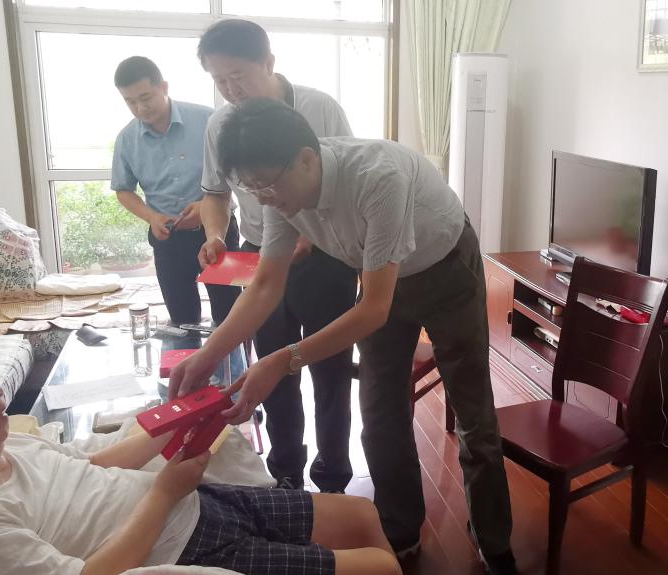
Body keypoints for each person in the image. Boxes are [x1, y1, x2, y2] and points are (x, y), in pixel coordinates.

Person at [170, 98, 519, 574]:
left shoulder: (378, 177)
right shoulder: (280, 192)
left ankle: (494, 542)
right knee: (379, 413)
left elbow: (373, 309)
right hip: (381, 277)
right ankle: (400, 530)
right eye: (250, 189)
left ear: (306, 160)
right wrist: (209, 354)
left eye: (266, 185)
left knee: (473, 414)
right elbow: (267, 285)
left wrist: (282, 360)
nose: (263, 197)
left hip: (446, 271)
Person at [0, 342, 401, 575]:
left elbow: (93, 466)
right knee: (381, 566)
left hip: (197, 503)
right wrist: (164, 492)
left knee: (362, 515)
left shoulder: (5, 445)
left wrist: (174, 421)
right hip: (188, 544)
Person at [195, 19, 358, 494]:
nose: (231, 90)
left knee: (329, 367)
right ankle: (285, 472)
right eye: (219, 80)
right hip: (260, 255)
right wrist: (215, 234)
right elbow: (215, 193)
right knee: (271, 366)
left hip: (325, 254)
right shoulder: (221, 123)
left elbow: (347, 183)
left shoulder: (319, 108)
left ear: (268, 62)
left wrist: (309, 232)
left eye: (238, 76)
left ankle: (333, 477)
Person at [111, 56, 241, 326]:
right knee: (181, 318)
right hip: (168, 237)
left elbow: (236, 173)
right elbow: (123, 191)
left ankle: (233, 356)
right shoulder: (127, 139)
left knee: (230, 313)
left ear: (164, 87)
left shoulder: (208, 120)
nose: (140, 108)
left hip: (217, 233)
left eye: (145, 97)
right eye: (130, 102)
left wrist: (206, 207)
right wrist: (152, 217)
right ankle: (190, 355)